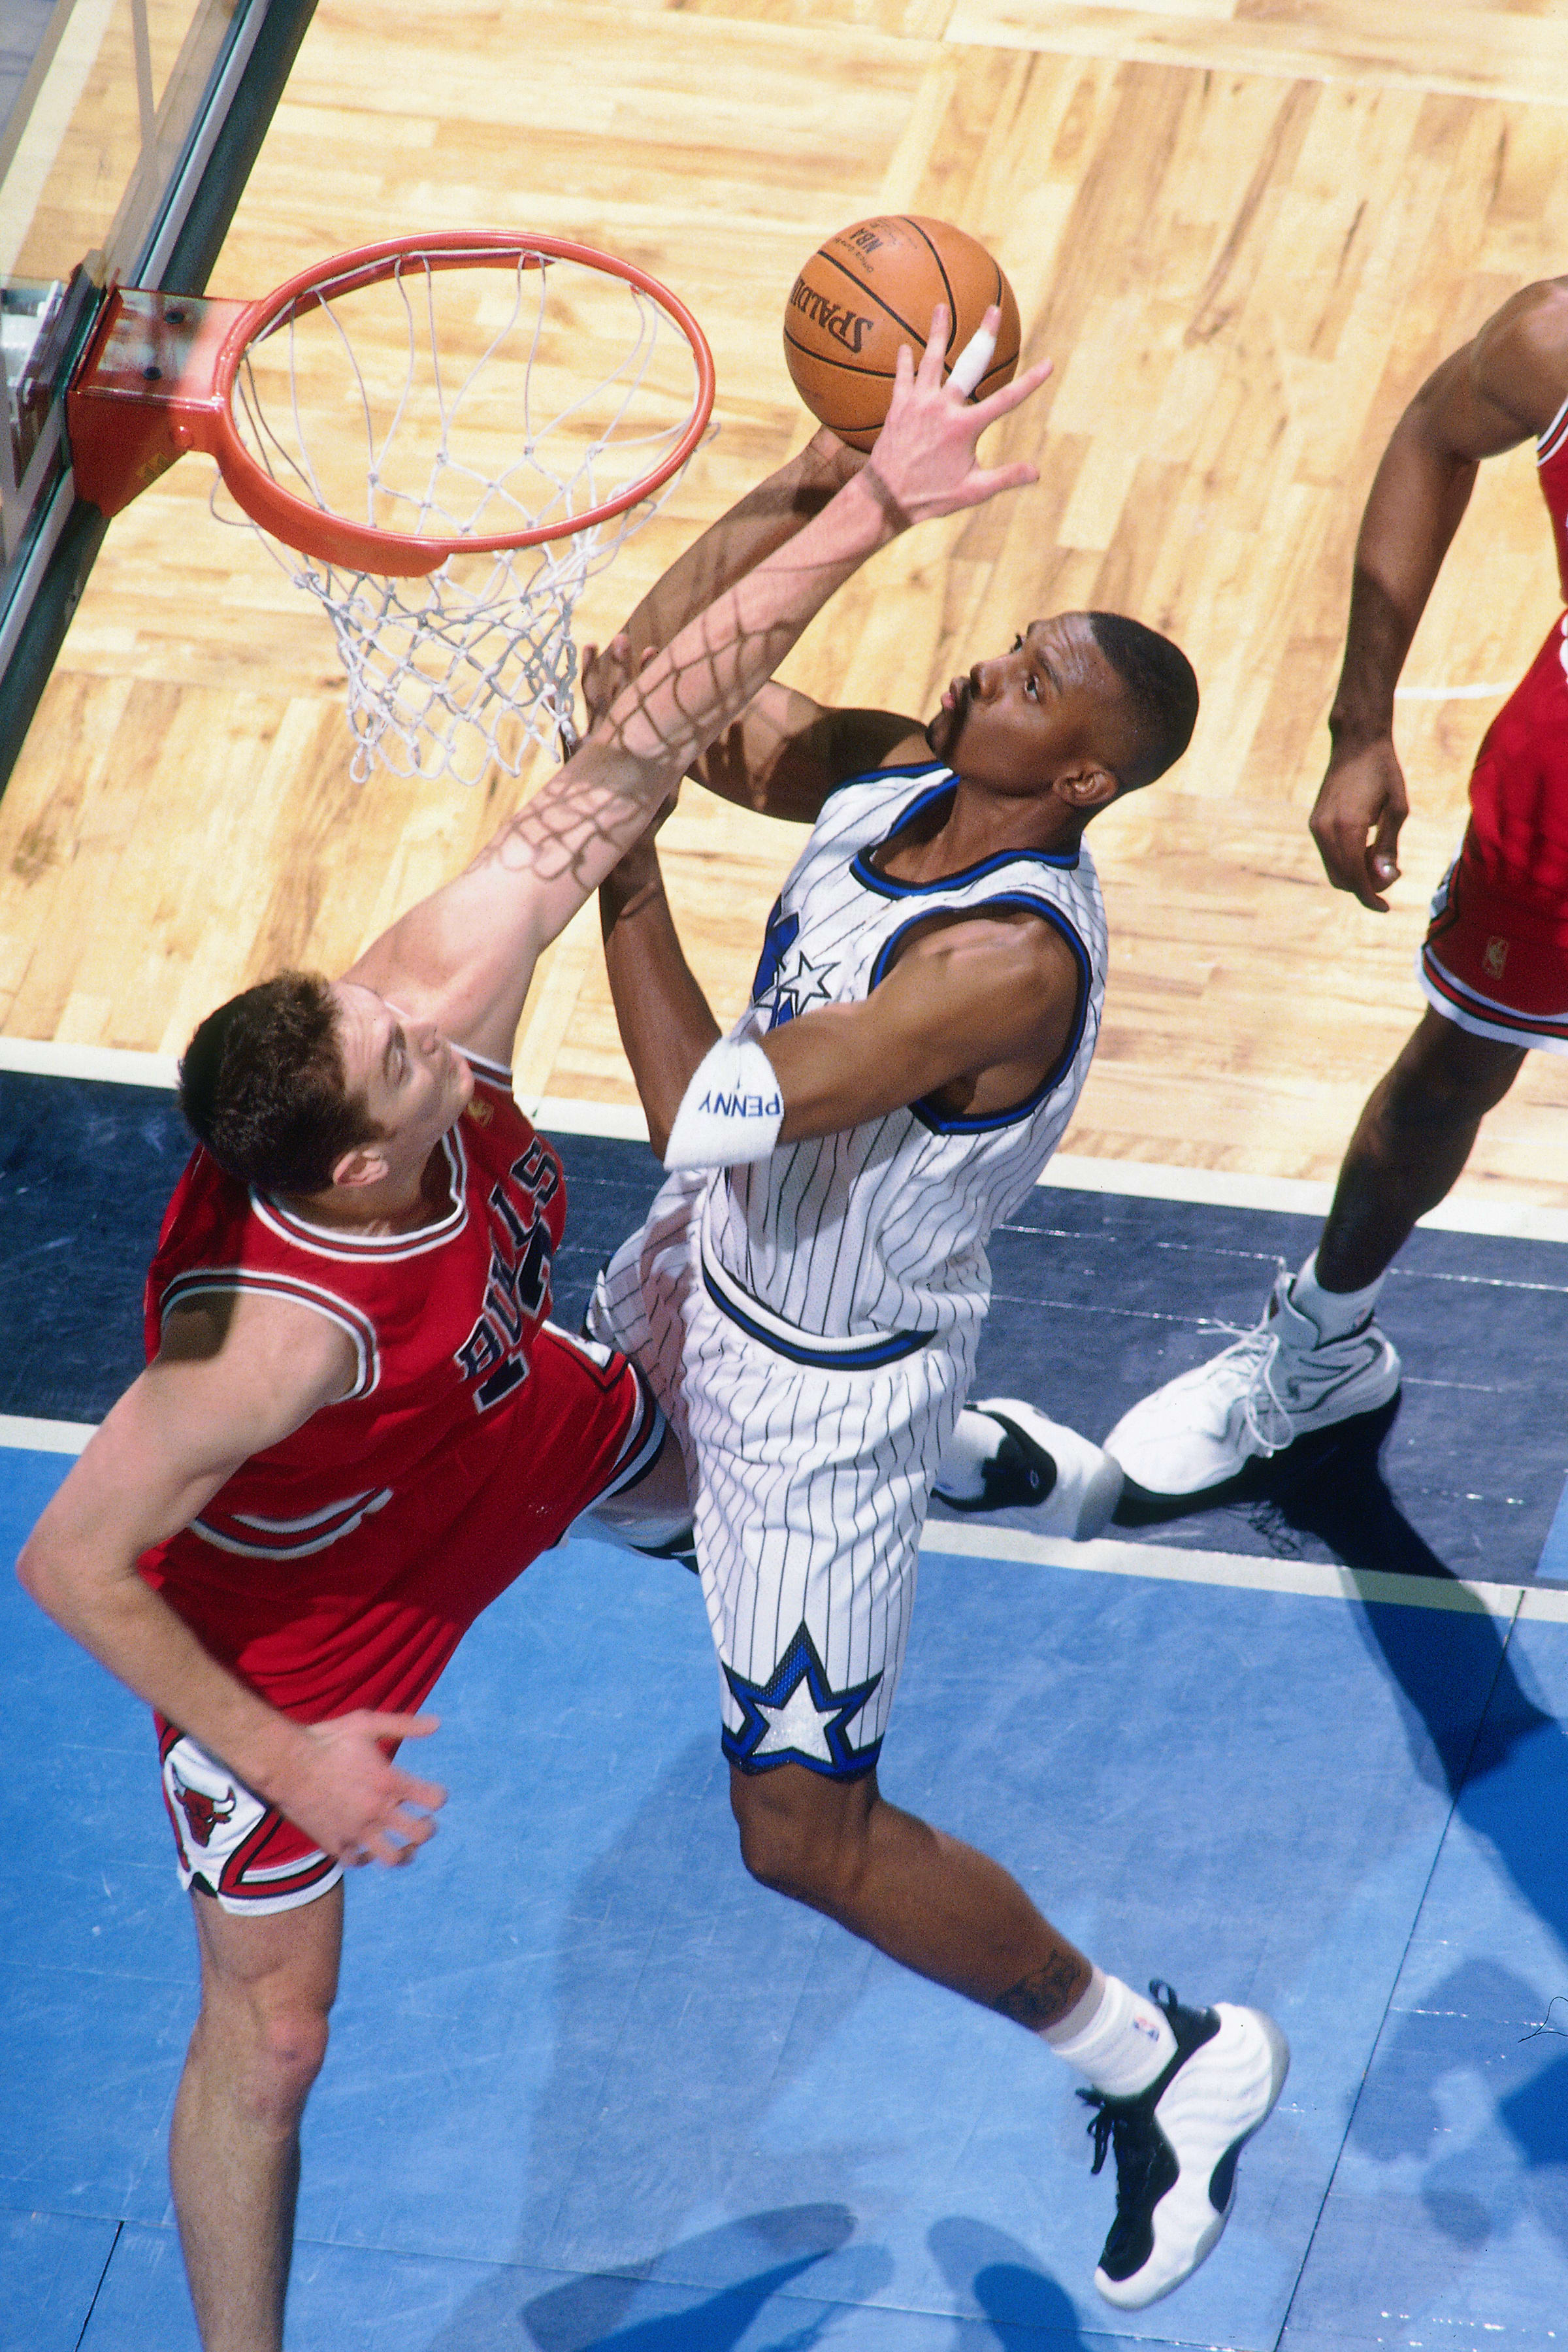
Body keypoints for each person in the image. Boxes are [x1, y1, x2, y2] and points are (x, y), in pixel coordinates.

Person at [15, 309, 1051, 2352]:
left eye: (393, 1007)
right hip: (299, 1632)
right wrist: (286, 1758)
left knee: (702, 1429)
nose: (436, 1007)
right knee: (279, 2039)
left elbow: (626, 761)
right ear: (373, 1170)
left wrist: (868, 500)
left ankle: (779, 1485)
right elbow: (68, 1559)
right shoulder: (268, 1345)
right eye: (412, 1054)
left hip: (514, 1418)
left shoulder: (391, 1017)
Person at [581, 372, 1289, 2309]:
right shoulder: (894, 771)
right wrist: (826, 490)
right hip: (721, 1268)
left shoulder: (1004, 955)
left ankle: (1166, 2062)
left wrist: (616, 860)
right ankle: (968, 1451)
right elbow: (649, 687)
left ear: (1082, 777)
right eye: (1020, 639)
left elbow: (703, 1105)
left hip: (820, 1383)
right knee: (608, 1488)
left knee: (800, 1836)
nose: (1003, 659)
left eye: (1045, 676)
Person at [1104, 276, 1568, 1498]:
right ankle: (1324, 1345)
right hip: (1559, 803)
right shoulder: (1555, 338)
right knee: (1450, 1073)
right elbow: (1434, 428)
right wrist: (1361, 725)